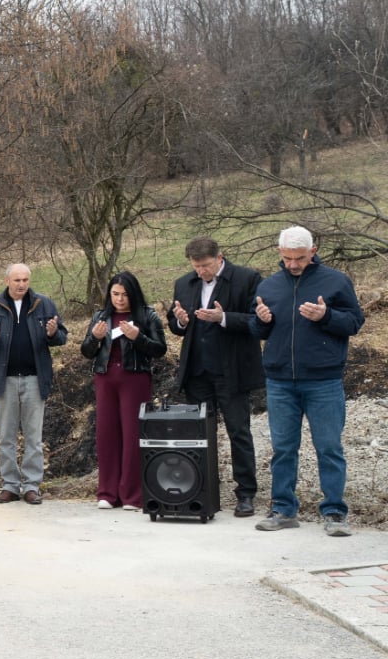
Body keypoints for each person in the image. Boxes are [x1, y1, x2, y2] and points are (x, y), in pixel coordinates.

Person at [251, 226, 365, 536]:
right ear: (280, 252)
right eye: (287, 258)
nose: (293, 264)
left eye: (299, 258)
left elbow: (354, 322)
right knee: (283, 449)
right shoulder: (269, 285)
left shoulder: (336, 281)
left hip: (323, 381)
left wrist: (326, 316)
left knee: (329, 448)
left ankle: (335, 513)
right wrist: (261, 321)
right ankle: (283, 510)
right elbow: (256, 329)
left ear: (313, 251)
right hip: (279, 381)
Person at [166, 237, 264, 516]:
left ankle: (245, 493)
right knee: (199, 435)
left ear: (220, 257)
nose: (201, 272)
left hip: (232, 370)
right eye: (196, 266)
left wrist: (223, 318)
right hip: (197, 371)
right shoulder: (184, 283)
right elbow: (175, 325)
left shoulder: (247, 278)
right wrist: (181, 321)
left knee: (238, 431)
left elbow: (258, 322)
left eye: (206, 266)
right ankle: (201, 489)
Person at [0, 263, 68, 505]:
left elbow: (62, 336)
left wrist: (52, 333)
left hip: (35, 379)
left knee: (34, 436)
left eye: (25, 280)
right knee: (6, 436)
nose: (22, 284)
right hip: (4, 380)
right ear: (7, 281)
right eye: (17, 280)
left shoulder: (43, 304)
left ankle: (32, 486)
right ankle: (10, 486)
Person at [80, 271, 166, 511]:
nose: (119, 299)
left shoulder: (147, 315)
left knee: (132, 434)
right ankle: (107, 493)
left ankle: (132, 495)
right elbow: (86, 351)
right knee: (106, 434)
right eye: (115, 294)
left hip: (134, 378)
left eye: (125, 295)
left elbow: (160, 349)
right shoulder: (101, 316)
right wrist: (94, 338)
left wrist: (138, 337)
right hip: (105, 378)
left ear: (133, 294)